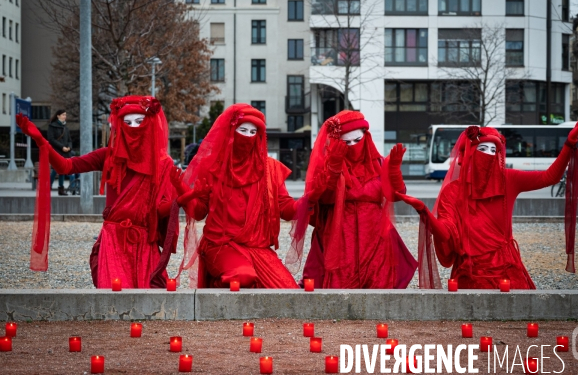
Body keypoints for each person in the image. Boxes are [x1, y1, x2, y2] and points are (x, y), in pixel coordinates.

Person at [397, 111, 578, 289]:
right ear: (471, 152)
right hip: (469, 274)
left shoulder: (508, 179)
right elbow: (447, 233)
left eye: (494, 150)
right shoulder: (453, 192)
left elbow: (549, 177)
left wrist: (568, 144)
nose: (490, 155)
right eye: (483, 148)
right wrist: (425, 212)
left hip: (506, 271)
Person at [17, 96, 179, 289]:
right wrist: (41, 141)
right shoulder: (108, 156)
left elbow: (158, 210)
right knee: (113, 303)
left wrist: (181, 198)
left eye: (138, 122)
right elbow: (66, 166)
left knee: (152, 304)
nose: (132, 127)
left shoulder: (161, 164)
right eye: (127, 122)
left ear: (150, 124)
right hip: (113, 242)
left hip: (143, 245)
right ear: (118, 124)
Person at [171, 103, 300, 289]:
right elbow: (199, 213)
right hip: (221, 245)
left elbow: (286, 209)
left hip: (258, 249)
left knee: (288, 293)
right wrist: (184, 190)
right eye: (242, 130)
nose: (247, 137)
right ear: (230, 131)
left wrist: (309, 199)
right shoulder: (213, 166)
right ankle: (217, 285)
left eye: (252, 132)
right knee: (242, 276)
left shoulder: (269, 169)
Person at [288, 110, 417, 289]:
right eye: (346, 142)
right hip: (338, 234)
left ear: (366, 136)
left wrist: (394, 171)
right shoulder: (328, 164)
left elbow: (395, 195)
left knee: (378, 286)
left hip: (374, 235)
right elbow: (320, 198)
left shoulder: (379, 163)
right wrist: (332, 169)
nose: (353, 146)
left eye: (357, 140)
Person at [47, 110, 73, 196]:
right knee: (56, 169)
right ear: (58, 116)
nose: (65, 116)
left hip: (65, 152)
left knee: (61, 170)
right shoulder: (52, 126)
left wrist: (69, 147)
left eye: (65, 114)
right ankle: (48, 187)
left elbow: (69, 140)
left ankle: (61, 189)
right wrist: (62, 147)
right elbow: (51, 139)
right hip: (56, 151)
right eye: (63, 115)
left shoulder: (66, 127)